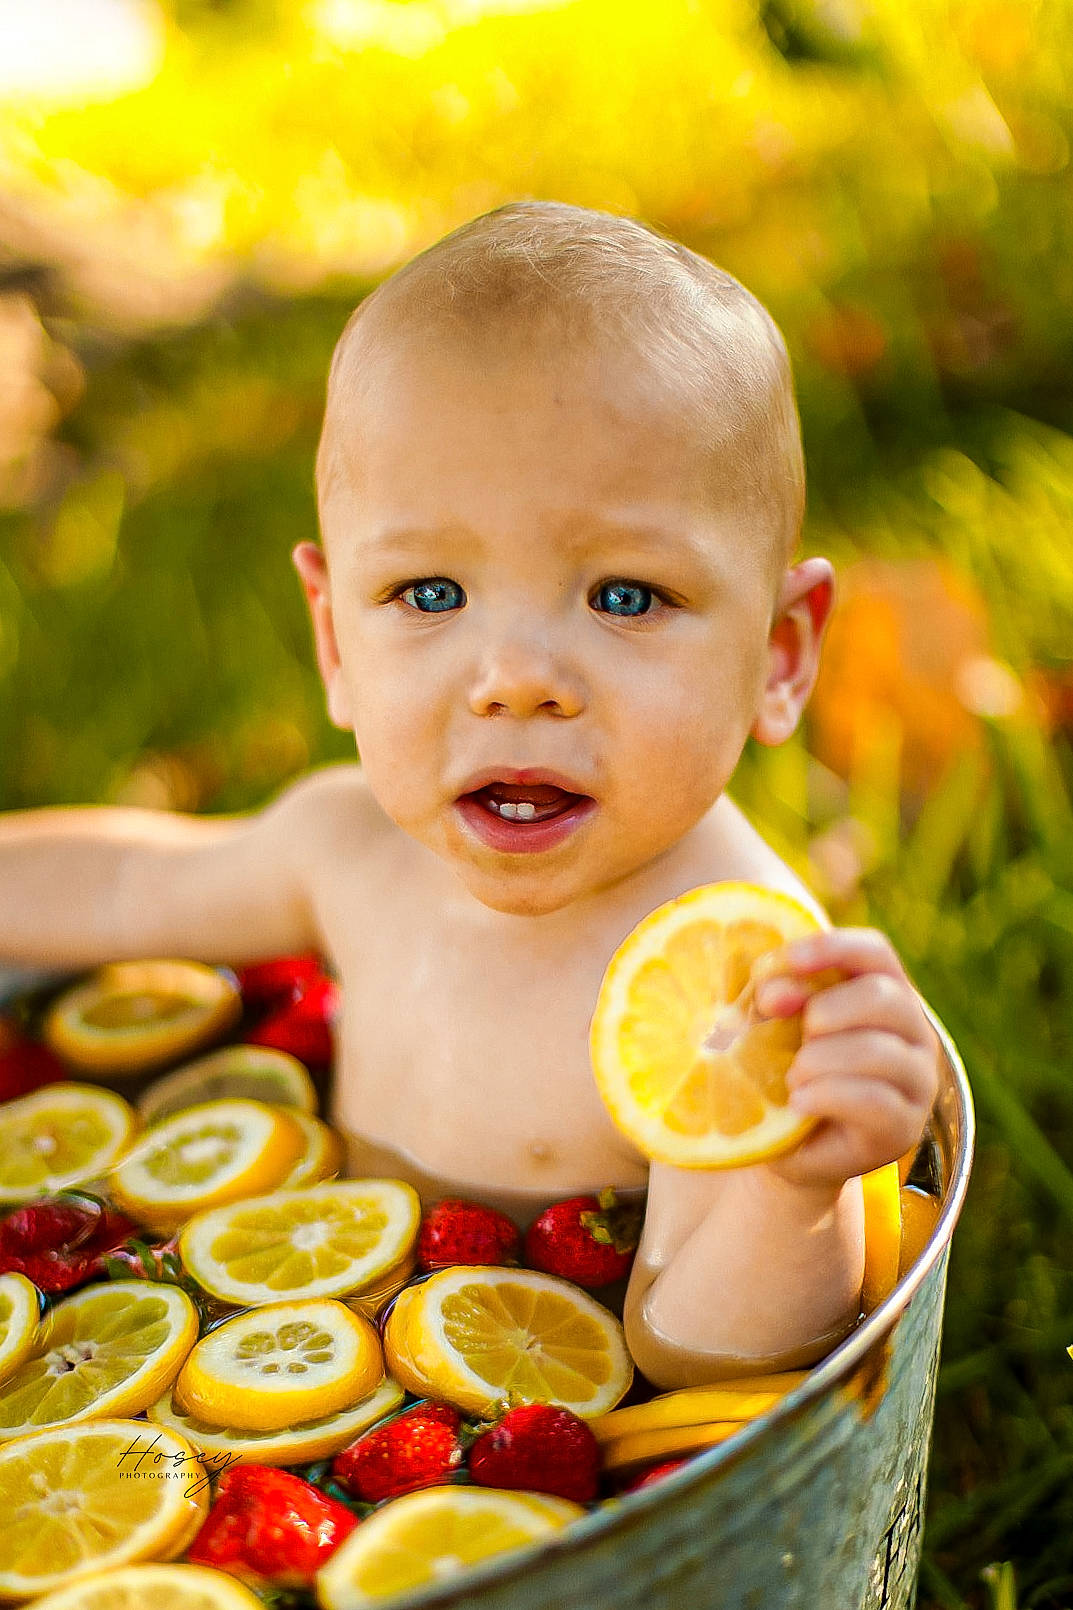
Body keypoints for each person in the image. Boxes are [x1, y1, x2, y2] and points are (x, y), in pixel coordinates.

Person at [0, 201, 940, 1388]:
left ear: (779, 653)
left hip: (548, 1404)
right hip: (316, 1318)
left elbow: (693, 1351)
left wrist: (792, 1186)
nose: (515, 681)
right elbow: (134, 888)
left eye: (625, 596)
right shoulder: (351, 848)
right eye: (431, 594)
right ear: (335, 637)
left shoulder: (731, 965)